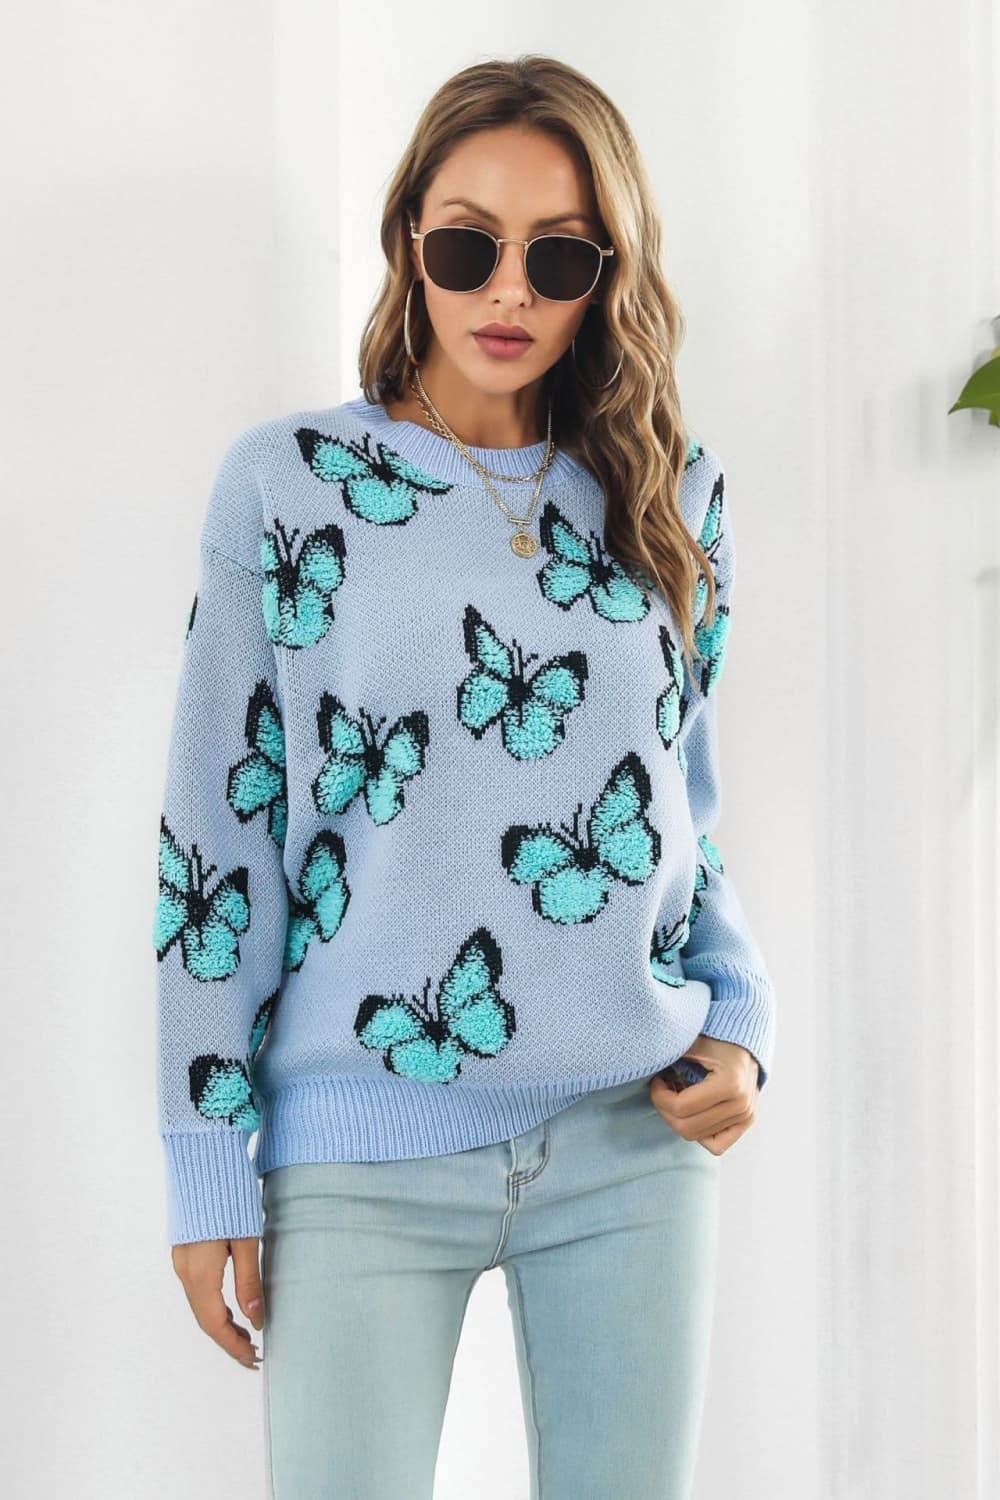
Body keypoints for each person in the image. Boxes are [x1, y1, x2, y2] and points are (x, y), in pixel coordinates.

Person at [153, 53, 777, 1500]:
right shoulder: (290, 488)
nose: (507, 292)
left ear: (606, 273)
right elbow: (214, 850)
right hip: (359, 1147)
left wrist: (741, 1022)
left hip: (633, 1132)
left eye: (557, 256)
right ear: (407, 243)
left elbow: (682, 812)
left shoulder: (674, 494)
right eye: (466, 246)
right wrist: (204, 1156)